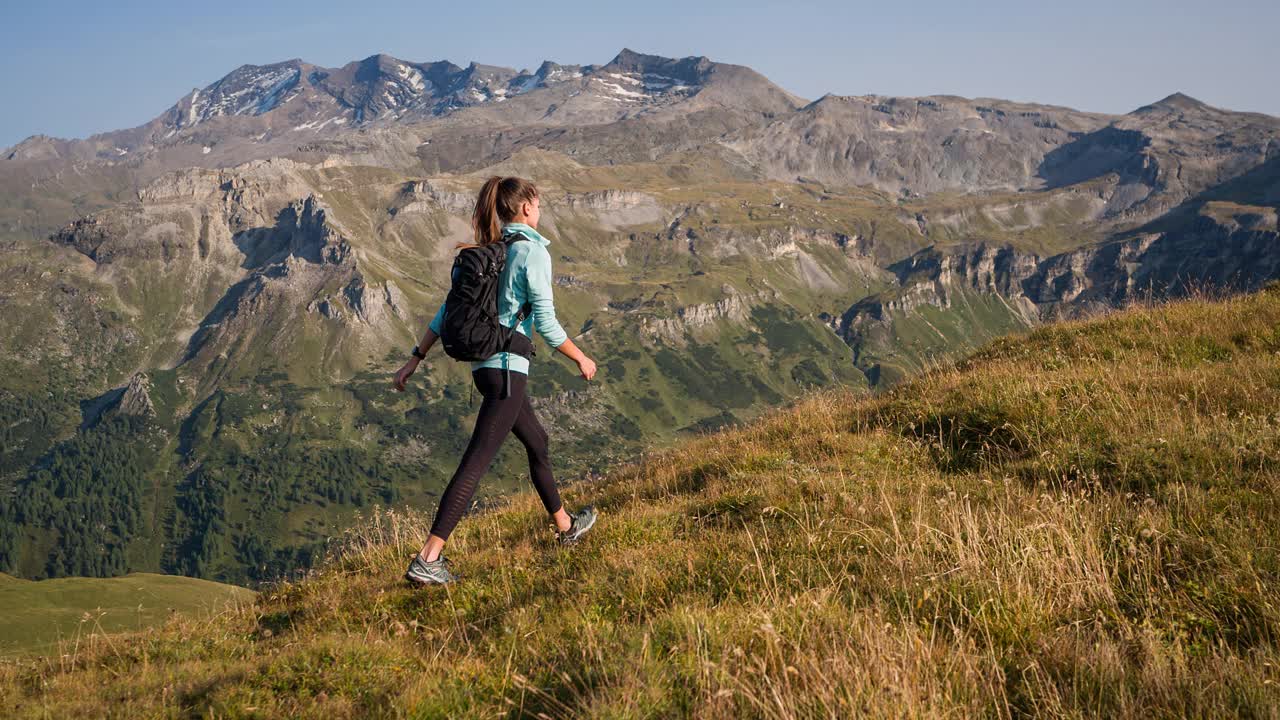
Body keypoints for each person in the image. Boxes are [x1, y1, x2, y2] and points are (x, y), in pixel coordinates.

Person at [391, 176, 599, 586]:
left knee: (538, 441)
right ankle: (428, 557)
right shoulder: (531, 253)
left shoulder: (492, 251)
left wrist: (414, 358)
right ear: (525, 208)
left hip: (486, 368)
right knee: (476, 463)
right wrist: (581, 358)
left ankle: (565, 526)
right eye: (537, 205)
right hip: (507, 369)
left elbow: (445, 312)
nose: (539, 212)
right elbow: (548, 324)